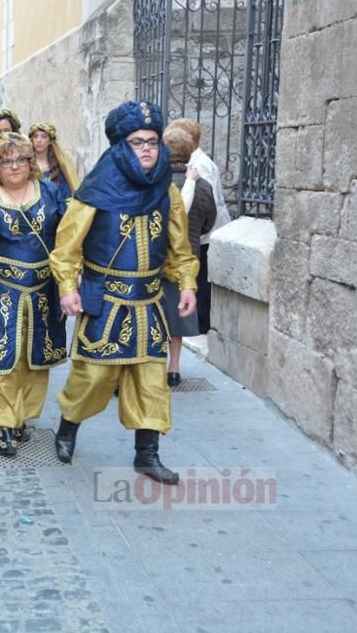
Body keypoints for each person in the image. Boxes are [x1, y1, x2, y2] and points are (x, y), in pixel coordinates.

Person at [49, 100, 199, 485]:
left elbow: (181, 249)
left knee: (152, 380)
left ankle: (146, 454)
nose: (147, 149)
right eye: (137, 142)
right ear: (121, 146)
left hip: (148, 303)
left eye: (152, 141)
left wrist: (186, 283)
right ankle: (68, 428)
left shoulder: (166, 192)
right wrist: (68, 288)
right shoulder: (95, 190)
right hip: (106, 302)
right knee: (93, 378)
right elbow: (66, 247)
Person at [0, 132, 70, 456]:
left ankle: (21, 416)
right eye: (7, 161)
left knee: (33, 359)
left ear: (31, 162)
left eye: (21, 159)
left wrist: (68, 283)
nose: (15, 166)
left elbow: (65, 239)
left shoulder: (49, 192)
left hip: (43, 290)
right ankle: (4, 424)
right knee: (2, 357)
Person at [161, 128, 216, 386]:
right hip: (188, 257)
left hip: (156, 259)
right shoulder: (202, 185)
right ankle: (174, 368)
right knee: (179, 315)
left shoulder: (155, 185)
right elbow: (208, 223)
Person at [165, 117, 230, 334]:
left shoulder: (199, 167)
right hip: (196, 237)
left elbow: (204, 205)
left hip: (198, 238)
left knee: (196, 289)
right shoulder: (192, 169)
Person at [28, 122, 81, 193]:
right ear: (32, 140)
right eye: (35, 136)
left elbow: (65, 192)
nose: (39, 140)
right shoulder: (27, 164)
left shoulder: (58, 165)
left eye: (44, 137)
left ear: (50, 141)